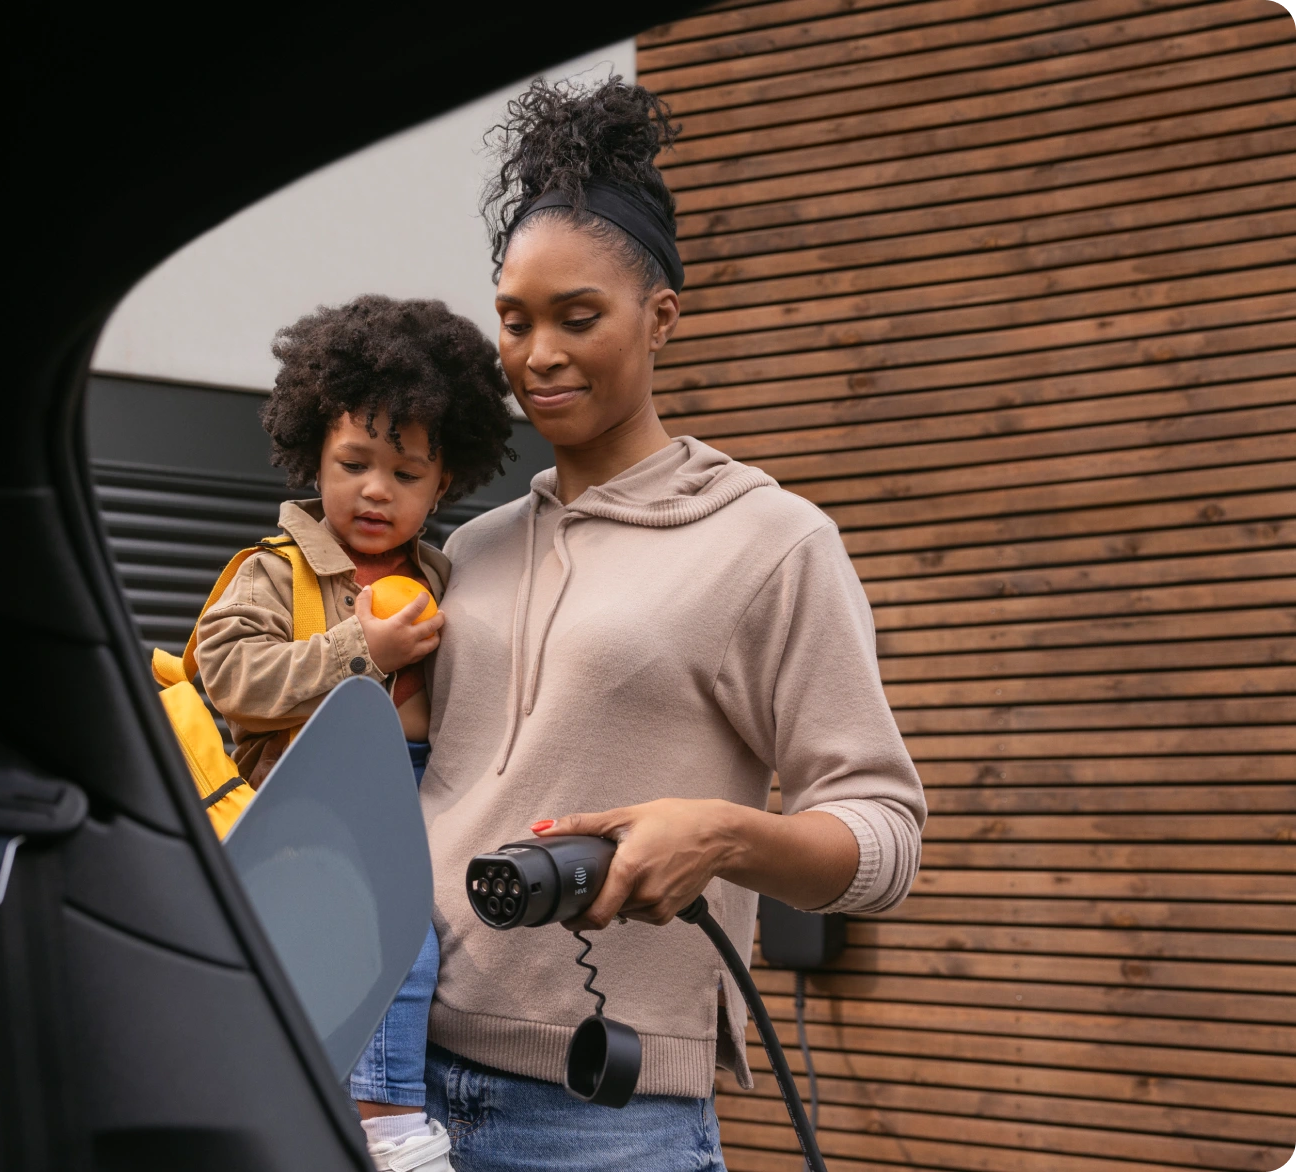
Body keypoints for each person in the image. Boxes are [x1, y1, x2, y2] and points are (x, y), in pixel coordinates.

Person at [419, 77, 928, 1170]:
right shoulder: (471, 547)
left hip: (603, 1118)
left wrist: (728, 836)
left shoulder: (770, 541)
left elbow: (884, 835)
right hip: (396, 1081)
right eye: (514, 319)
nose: (537, 353)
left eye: (577, 317)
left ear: (661, 317)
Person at [194, 294, 514, 1172]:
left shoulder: (453, 579)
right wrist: (356, 652)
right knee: (388, 946)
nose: (377, 489)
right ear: (313, 456)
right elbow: (230, 677)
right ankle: (389, 1130)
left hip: (434, 794)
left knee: (425, 954)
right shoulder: (275, 570)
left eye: (407, 475)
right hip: (321, 789)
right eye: (353, 462)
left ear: (445, 484)